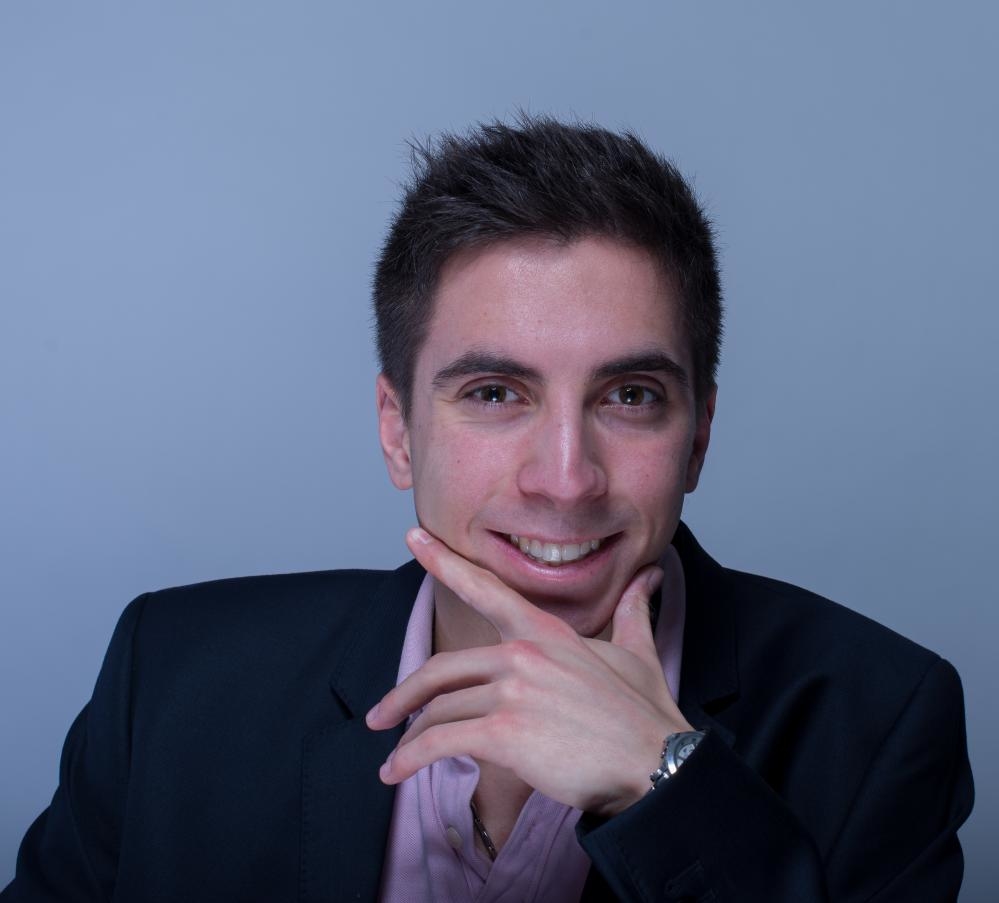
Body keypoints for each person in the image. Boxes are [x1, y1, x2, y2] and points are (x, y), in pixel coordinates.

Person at [2, 117, 973, 902]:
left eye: (630, 395)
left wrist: (667, 780)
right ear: (397, 430)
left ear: (698, 435)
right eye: (496, 393)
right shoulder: (173, 678)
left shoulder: (880, 720)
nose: (566, 479)